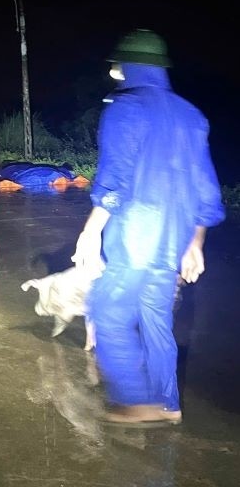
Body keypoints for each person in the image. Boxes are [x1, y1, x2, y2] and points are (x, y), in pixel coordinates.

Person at [71, 29, 225, 425]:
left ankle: (136, 400)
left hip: (135, 234)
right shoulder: (192, 116)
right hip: (173, 239)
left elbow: (116, 176)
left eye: (118, 67)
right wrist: (196, 242)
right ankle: (168, 403)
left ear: (129, 67)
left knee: (105, 308)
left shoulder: (126, 107)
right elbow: (207, 189)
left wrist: (91, 229)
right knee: (156, 318)